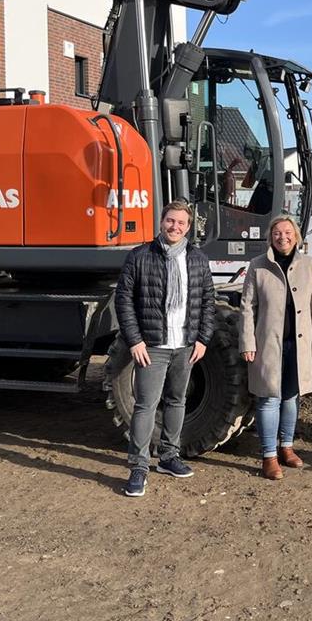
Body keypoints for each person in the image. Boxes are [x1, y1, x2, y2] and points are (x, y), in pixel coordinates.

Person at [115, 200, 216, 498]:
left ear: (188, 227)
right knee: (146, 405)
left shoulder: (197, 259)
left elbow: (207, 301)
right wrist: (135, 340)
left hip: (185, 346)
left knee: (177, 400)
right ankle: (138, 466)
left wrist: (202, 339)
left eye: (181, 223)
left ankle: (169, 457)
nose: (175, 227)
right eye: (170, 221)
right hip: (154, 345)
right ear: (162, 222)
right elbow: (124, 300)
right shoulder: (140, 256)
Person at [239, 214, 312, 480]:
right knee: (268, 399)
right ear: (270, 237)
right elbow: (247, 308)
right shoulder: (258, 266)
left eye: (288, 232)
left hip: (298, 346)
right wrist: (247, 341)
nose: (283, 237)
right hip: (268, 345)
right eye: (277, 233)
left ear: (296, 236)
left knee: (291, 397)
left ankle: (287, 447)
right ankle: (269, 457)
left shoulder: (308, 264)